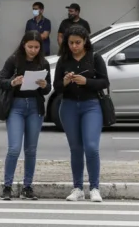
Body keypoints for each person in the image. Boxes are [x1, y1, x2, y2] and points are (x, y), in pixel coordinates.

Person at [53, 25, 110, 203]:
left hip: (91, 105)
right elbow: (56, 87)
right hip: (69, 105)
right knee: (75, 148)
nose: (74, 46)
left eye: (78, 42)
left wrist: (86, 81)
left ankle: (94, 187)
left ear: (85, 41)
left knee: (91, 147)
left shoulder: (95, 57)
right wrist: (65, 81)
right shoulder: (63, 60)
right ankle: (77, 188)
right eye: (71, 43)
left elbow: (104, 82)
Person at [0, 30, 51, 201]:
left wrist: (44, 85)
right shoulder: (14, 60)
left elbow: (47, 89)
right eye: (30, 46)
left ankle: (27, 186)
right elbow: (1, 79)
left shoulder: (43, 63)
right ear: (24, 45)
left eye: (36, 47)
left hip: (34, 107)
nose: (33, 50)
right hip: (16, 106)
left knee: (31, 149)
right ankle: (7, 186)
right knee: (14, 148)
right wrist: (13, 82)